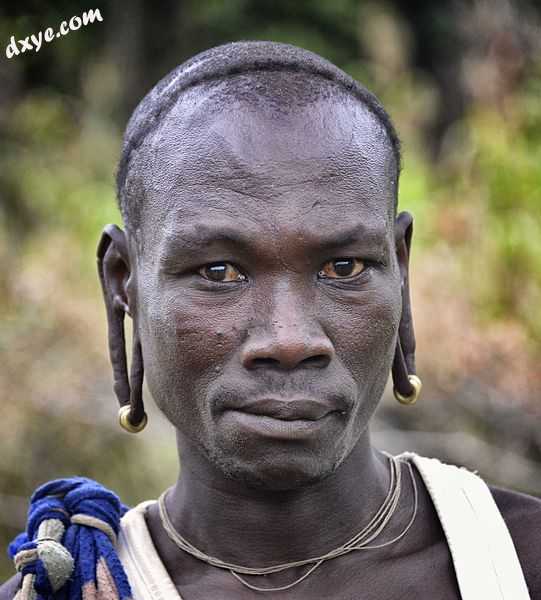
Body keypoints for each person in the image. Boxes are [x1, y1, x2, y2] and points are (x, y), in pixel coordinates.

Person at [2, 41, 540, 600]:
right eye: (219, 271)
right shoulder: (74, 587)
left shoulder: (517, 560)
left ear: (399, 266)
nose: (289, 340)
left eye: (343, 266)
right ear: (123, 283)